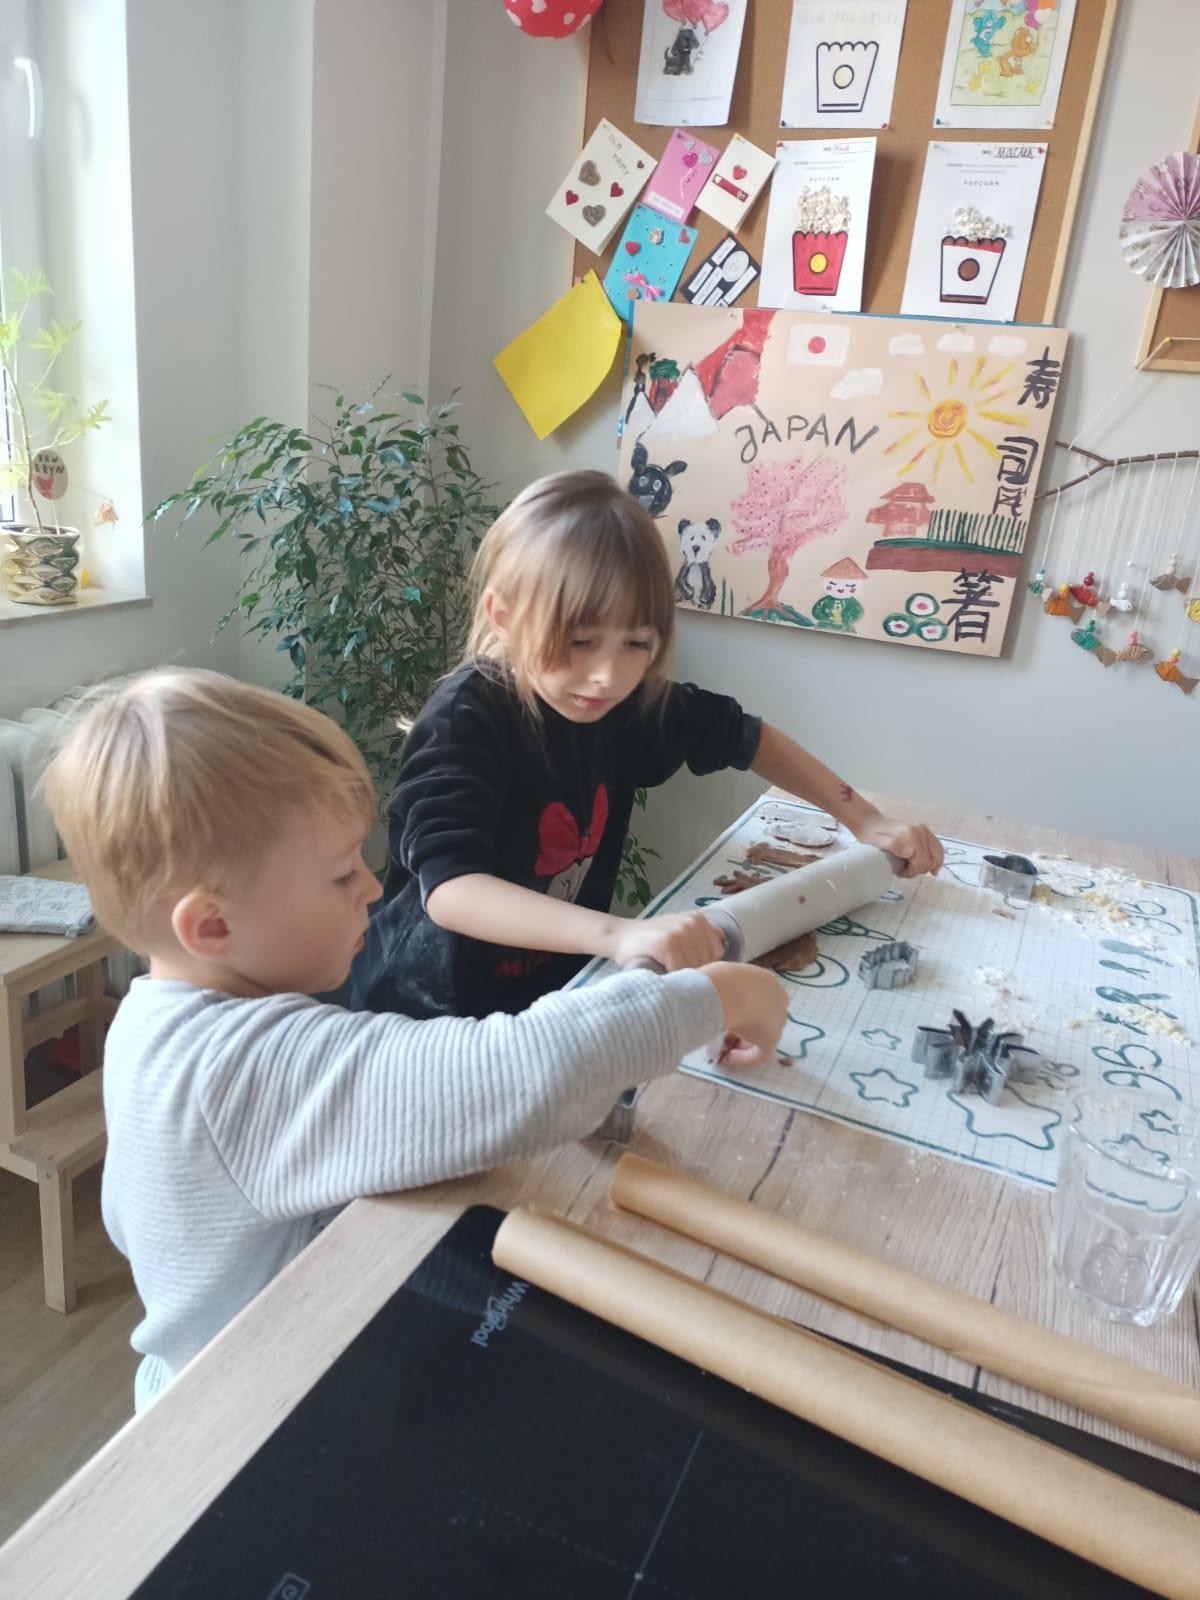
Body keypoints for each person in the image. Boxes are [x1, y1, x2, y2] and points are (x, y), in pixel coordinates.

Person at [40, 669, 785, 1409]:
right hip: (255, 1415)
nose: (373, 888)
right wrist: (726, 994)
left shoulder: (148, 1019)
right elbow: (529, 1073)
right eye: (342, 876)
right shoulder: (241, 1066)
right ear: (212, 926)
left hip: (202, 1374)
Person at [350, 470, 943, 1023]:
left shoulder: (628, 703)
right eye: (578, 641)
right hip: (426, 1014)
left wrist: (865, 819)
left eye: (636, 644)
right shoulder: (464, 719)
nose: (607, 675)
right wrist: (619, 934)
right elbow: (452, 890)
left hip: (553, 996)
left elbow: (748, 737)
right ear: (503, 618)